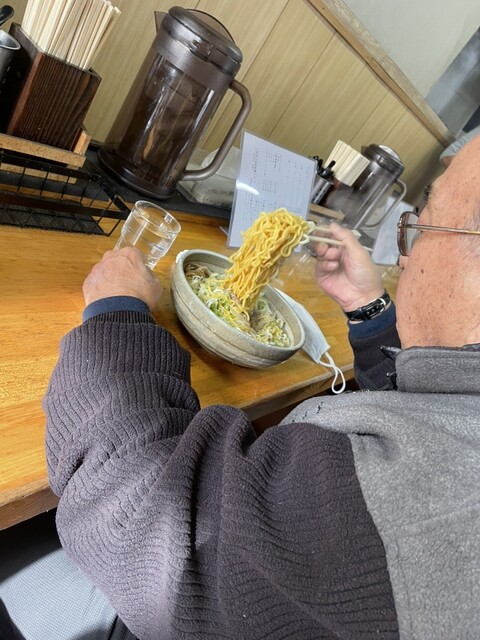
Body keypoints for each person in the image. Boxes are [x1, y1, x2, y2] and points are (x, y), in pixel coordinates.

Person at [3, 136, 480, 640]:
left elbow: (147, 529)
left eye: (420, 225)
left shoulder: (432, 508)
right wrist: (369, 308)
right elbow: (436, 395)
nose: (404, 260)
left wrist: (115, 309)